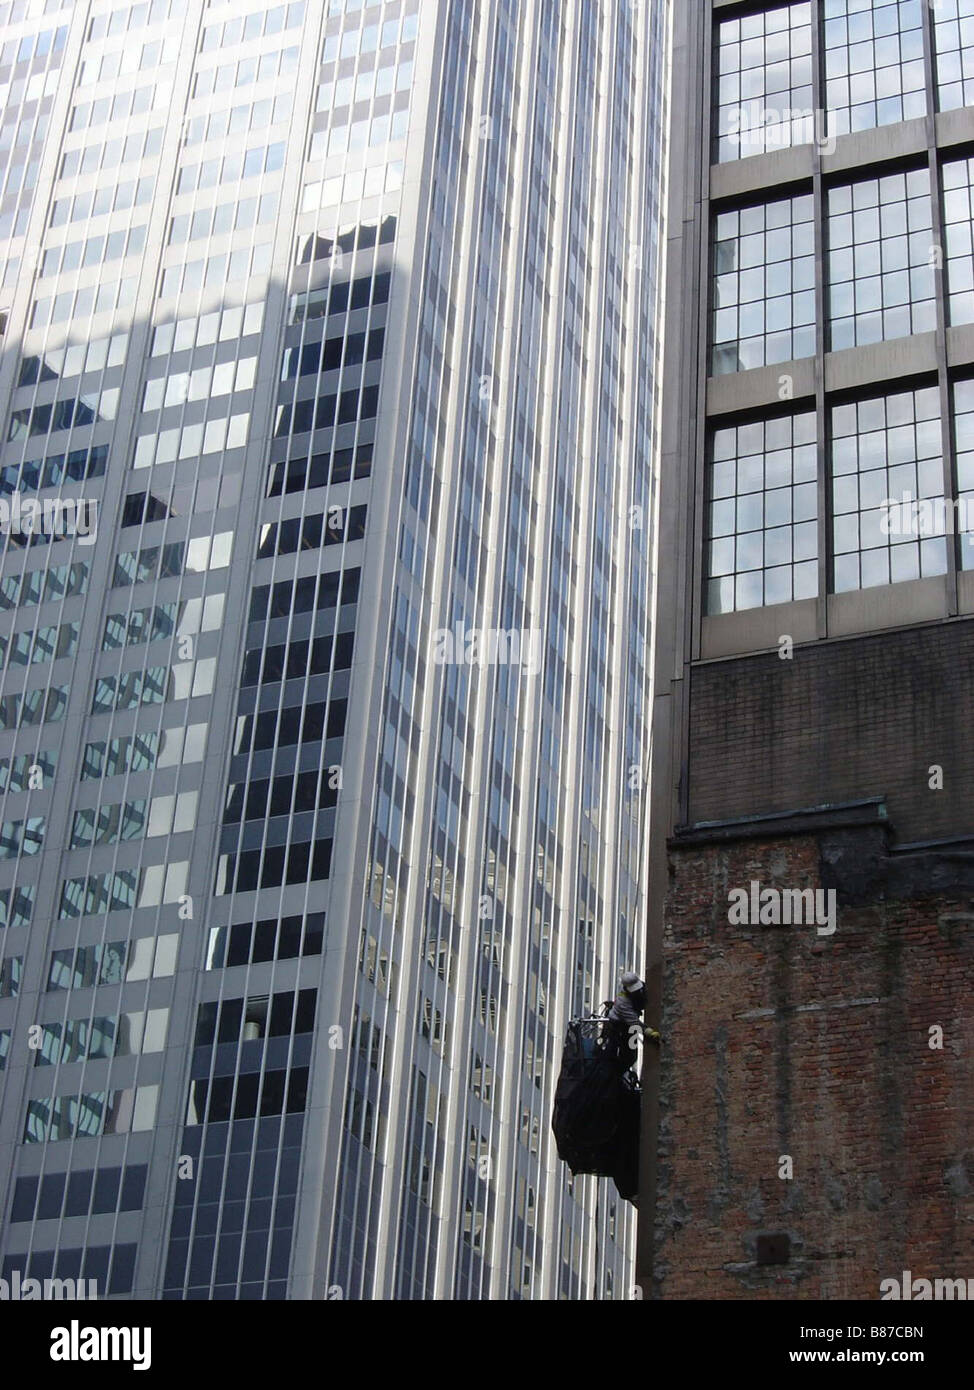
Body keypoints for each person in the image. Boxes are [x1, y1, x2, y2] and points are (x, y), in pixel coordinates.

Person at [604, 972, 660, 1070]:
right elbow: (635, 1024)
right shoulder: (623, 1003)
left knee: (630, 1056)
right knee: (628, 1056)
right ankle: (616, 1077)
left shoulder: (641, 986)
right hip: (620, 1027)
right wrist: (651, 1033)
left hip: (628, 1024)